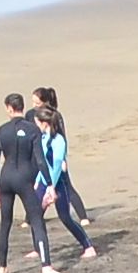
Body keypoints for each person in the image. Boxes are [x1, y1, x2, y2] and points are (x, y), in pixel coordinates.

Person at [0, 92, 59, 273]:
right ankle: (46, 268)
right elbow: (40, 160)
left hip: (6, 178)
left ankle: (2, 268)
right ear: (22, 107)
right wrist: (49, 184)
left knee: (5, 224)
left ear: (9, 109)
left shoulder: (0, 131)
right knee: (36, 221)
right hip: (26, 178)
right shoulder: (32, 129)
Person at [38, 87, 98, 254]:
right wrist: (38, 183)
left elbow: (56, 165)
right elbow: (41, 163)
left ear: (45, 123)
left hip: (58, 183)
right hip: (44, 181)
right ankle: (39, 249)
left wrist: (51, 187)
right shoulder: (42, 139)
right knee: (36, 216)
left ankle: (88, 246)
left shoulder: (58, 141)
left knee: (65, 217)